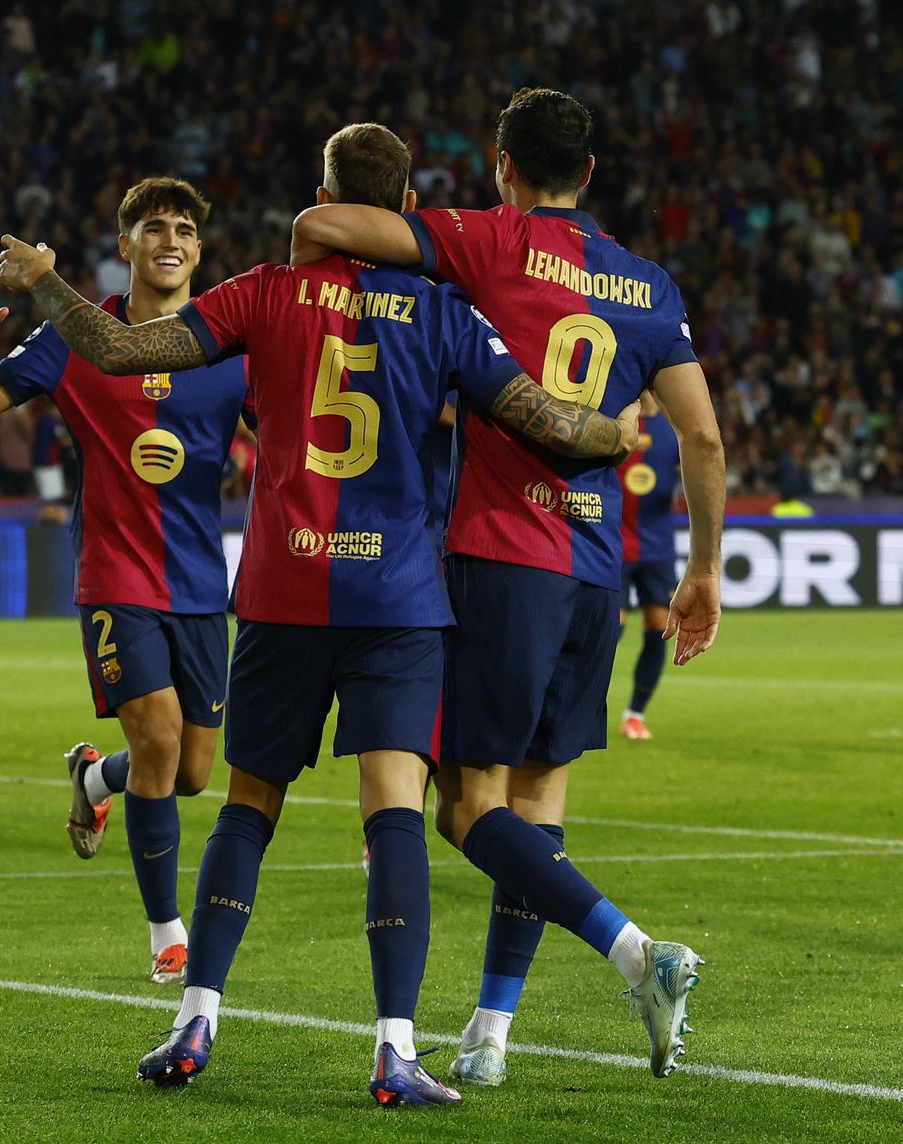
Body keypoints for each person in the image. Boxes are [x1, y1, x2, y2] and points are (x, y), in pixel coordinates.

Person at [0, 124, 641, 1105]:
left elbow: (120, 348)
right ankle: (394, 1048)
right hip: (397, 603)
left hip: (285, 594)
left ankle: (194, 1019)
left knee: (247, 808)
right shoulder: (443, 311)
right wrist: (614, 430)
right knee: (392, 818)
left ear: (325, 196)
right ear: (408, 206)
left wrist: (45, 280)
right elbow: (544, 422)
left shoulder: (264, 290)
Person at [291, 89, 727, 1083]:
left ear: (501, 165)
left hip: (500, 555)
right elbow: (700, 434)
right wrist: (702, 567)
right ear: (590, 174)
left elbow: (327, 223)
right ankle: (489, 1039)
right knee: (537, 804)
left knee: (465, 808)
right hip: (595, 573)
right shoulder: (650, 286)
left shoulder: (488, 240)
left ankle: (634, 950)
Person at [0, 177, 251, 987]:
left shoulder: (229, 343)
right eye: (154, 227)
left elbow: (286, 431)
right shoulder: (76, 336)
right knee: (156, 741)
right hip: (115, 574)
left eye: (186, 228)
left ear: (199, 247)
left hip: (199, 581)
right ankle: (166, 935)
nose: (171, 240)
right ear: (125, 246)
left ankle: (93, 775)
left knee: (190, 771)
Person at [617, 391, 679, 740]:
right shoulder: (615, 416)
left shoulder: (672, 428)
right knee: (611, 628)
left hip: (657, 547)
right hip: (614, 544)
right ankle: (584, 704)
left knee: (658, 630)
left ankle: (635, 714)